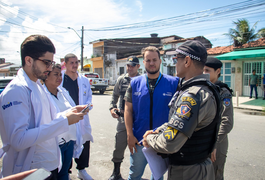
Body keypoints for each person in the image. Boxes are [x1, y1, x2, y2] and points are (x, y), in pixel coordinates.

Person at [0, 35, 87, 179]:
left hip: (47, 167)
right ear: (28, 60)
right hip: (31, 171)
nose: (49, 68)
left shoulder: (37, 85)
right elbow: (18, 140)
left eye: (51, 63)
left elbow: (46, 122)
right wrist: (64, 121)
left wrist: (67, 114)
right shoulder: (16, 91)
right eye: (46, 62)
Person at [142, 40, 221, 180]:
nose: (175, 63)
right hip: (198, 167)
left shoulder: (192, 96)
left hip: (189, 171)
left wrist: (149, 138)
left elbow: (169, 143)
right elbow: (179, 123)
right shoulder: (205, 89)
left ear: (187, 61)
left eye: (176, 59)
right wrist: (158, 131)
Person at [124, 46, 179, 180]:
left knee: (158, 176)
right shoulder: (135, 83)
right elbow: (128, 110)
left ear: (160, 61)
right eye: (148, 60)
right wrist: (129, 135)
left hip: (162, 141)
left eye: (154, 60)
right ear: (143, 62)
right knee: (134, 175)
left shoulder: (174, 83)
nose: (151, 63)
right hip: (138, 140)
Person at [44, 64, 90, 180]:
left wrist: (78, 109)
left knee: (64, 173)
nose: (59, 77)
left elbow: (70, 109)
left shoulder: (62, 92)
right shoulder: (42, 95)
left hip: (68, 141)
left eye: (60, 74)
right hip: (55, 143)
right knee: (53, 175)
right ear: (46, 76)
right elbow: (46, 119)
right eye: (55, 74)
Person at [62, 53, 93, 180]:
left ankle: (82, 170)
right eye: (71, 63)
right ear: (65, 64)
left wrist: (88, 107)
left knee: (84, 142)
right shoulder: (61, 79)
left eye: (76, 62)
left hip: (81, 117)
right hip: (67, 117)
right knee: (68, 142)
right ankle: (66, 172)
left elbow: (89, 97)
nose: (75, 65)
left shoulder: (84, 80)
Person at [108, 56, 141, 180]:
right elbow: (114, 95)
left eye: (132, 65)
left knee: (138, 150)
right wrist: (112, 108)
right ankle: (116, 172)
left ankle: (136, 175)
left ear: (138, 66)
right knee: (119, 146)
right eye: (128, 65)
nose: (129, 67)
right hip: (122, 120)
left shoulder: (143, 80)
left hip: (138, 121)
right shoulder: (121, 79)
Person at [204, 57, 234, 180]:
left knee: (215, 175)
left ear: (218, 71)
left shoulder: (223, 92)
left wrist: (214, 143)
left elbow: (227, 122)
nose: (204, 73)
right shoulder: (204, 88)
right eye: (203, 70)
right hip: (204, 142)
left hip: (217, 143)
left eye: (207, 70)